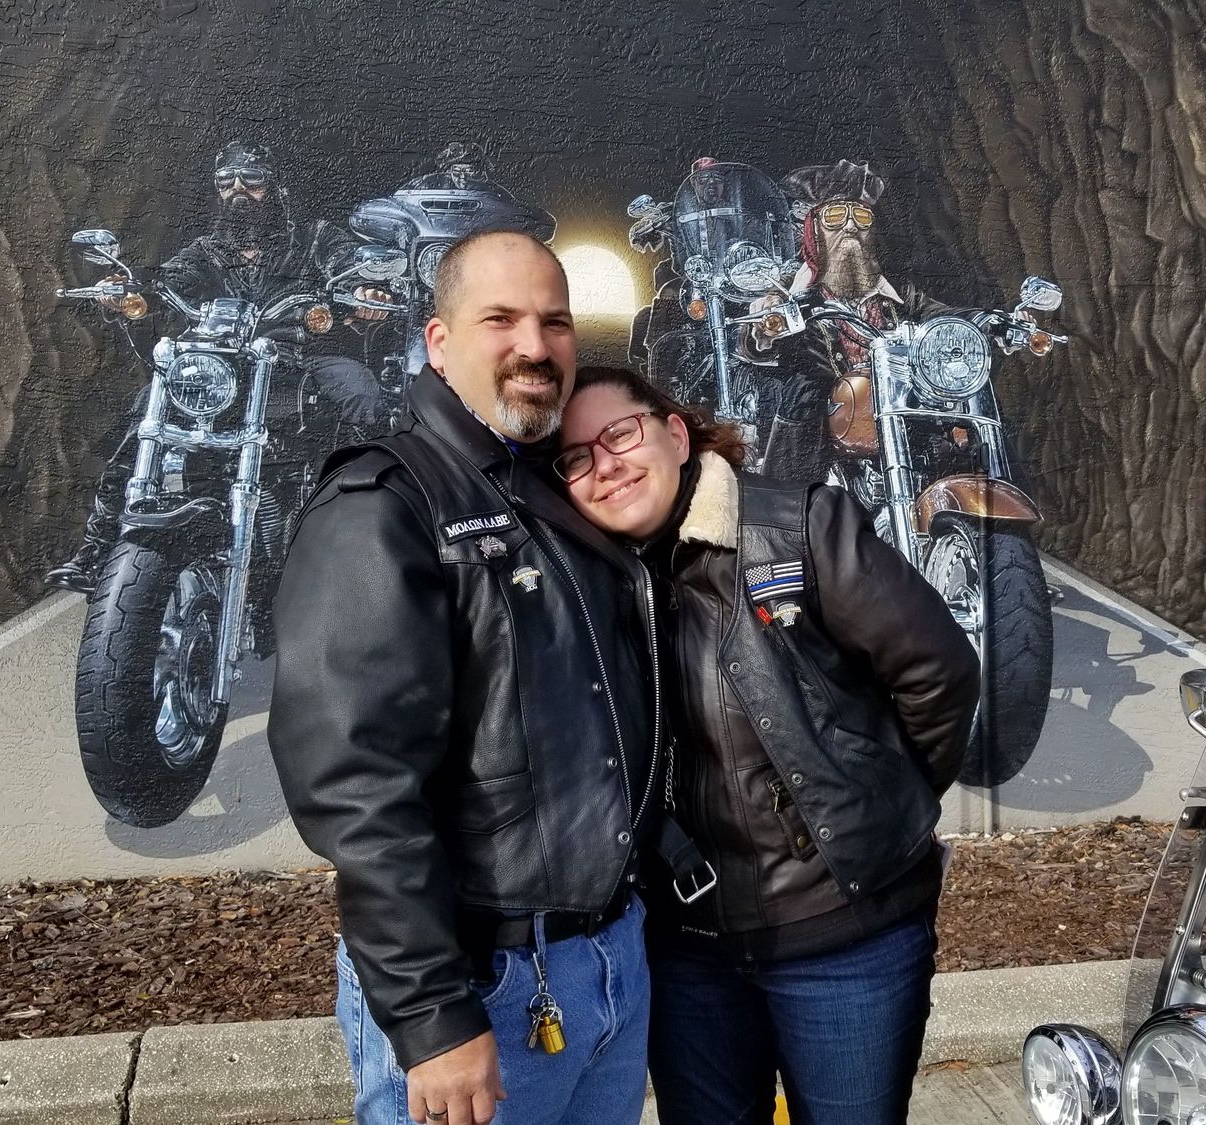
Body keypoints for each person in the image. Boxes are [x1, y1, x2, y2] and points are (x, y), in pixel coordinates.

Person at [267, 232, 665, 1125]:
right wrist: (432, 1014)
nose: (535, 345)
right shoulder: (383, 508)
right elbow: (358, 787)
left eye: (555, 322)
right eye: (501, 320)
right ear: (438, 342)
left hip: (609, 963)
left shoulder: (566, 492)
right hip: (483, 987)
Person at [553, 365, 983, 1124]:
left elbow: (938, 672)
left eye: (619, 434)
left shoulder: (800, 527)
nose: (606, 465)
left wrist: (870, 809)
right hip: (686, 951)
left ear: (675, 434)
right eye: (576, 457)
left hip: (846, 938)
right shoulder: (584, 584)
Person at [45, 140, 394, 592]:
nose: (238, 191)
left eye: (252, 180)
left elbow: (350, 269)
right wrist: (128, 289)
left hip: (306, 356)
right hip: (231, 365)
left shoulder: (314, 238)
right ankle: (97, 547)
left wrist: (366, 292)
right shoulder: (207, 250)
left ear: (275, 187)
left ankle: (384, 528)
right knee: (146, 412)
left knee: (364, 396)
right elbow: (169, 279)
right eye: (226, 181)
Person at [744, 159, 953, 484]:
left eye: (861, 217)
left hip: (897, 403)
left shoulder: (898, 291)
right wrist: (767, 325)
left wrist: (986, 322)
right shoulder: (792, 288)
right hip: (827, 421)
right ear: (815, 230)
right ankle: (791, 502)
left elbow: (939, 314)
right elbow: (757, 334)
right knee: (804, 393)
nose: (850, 226)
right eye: (836, 216)